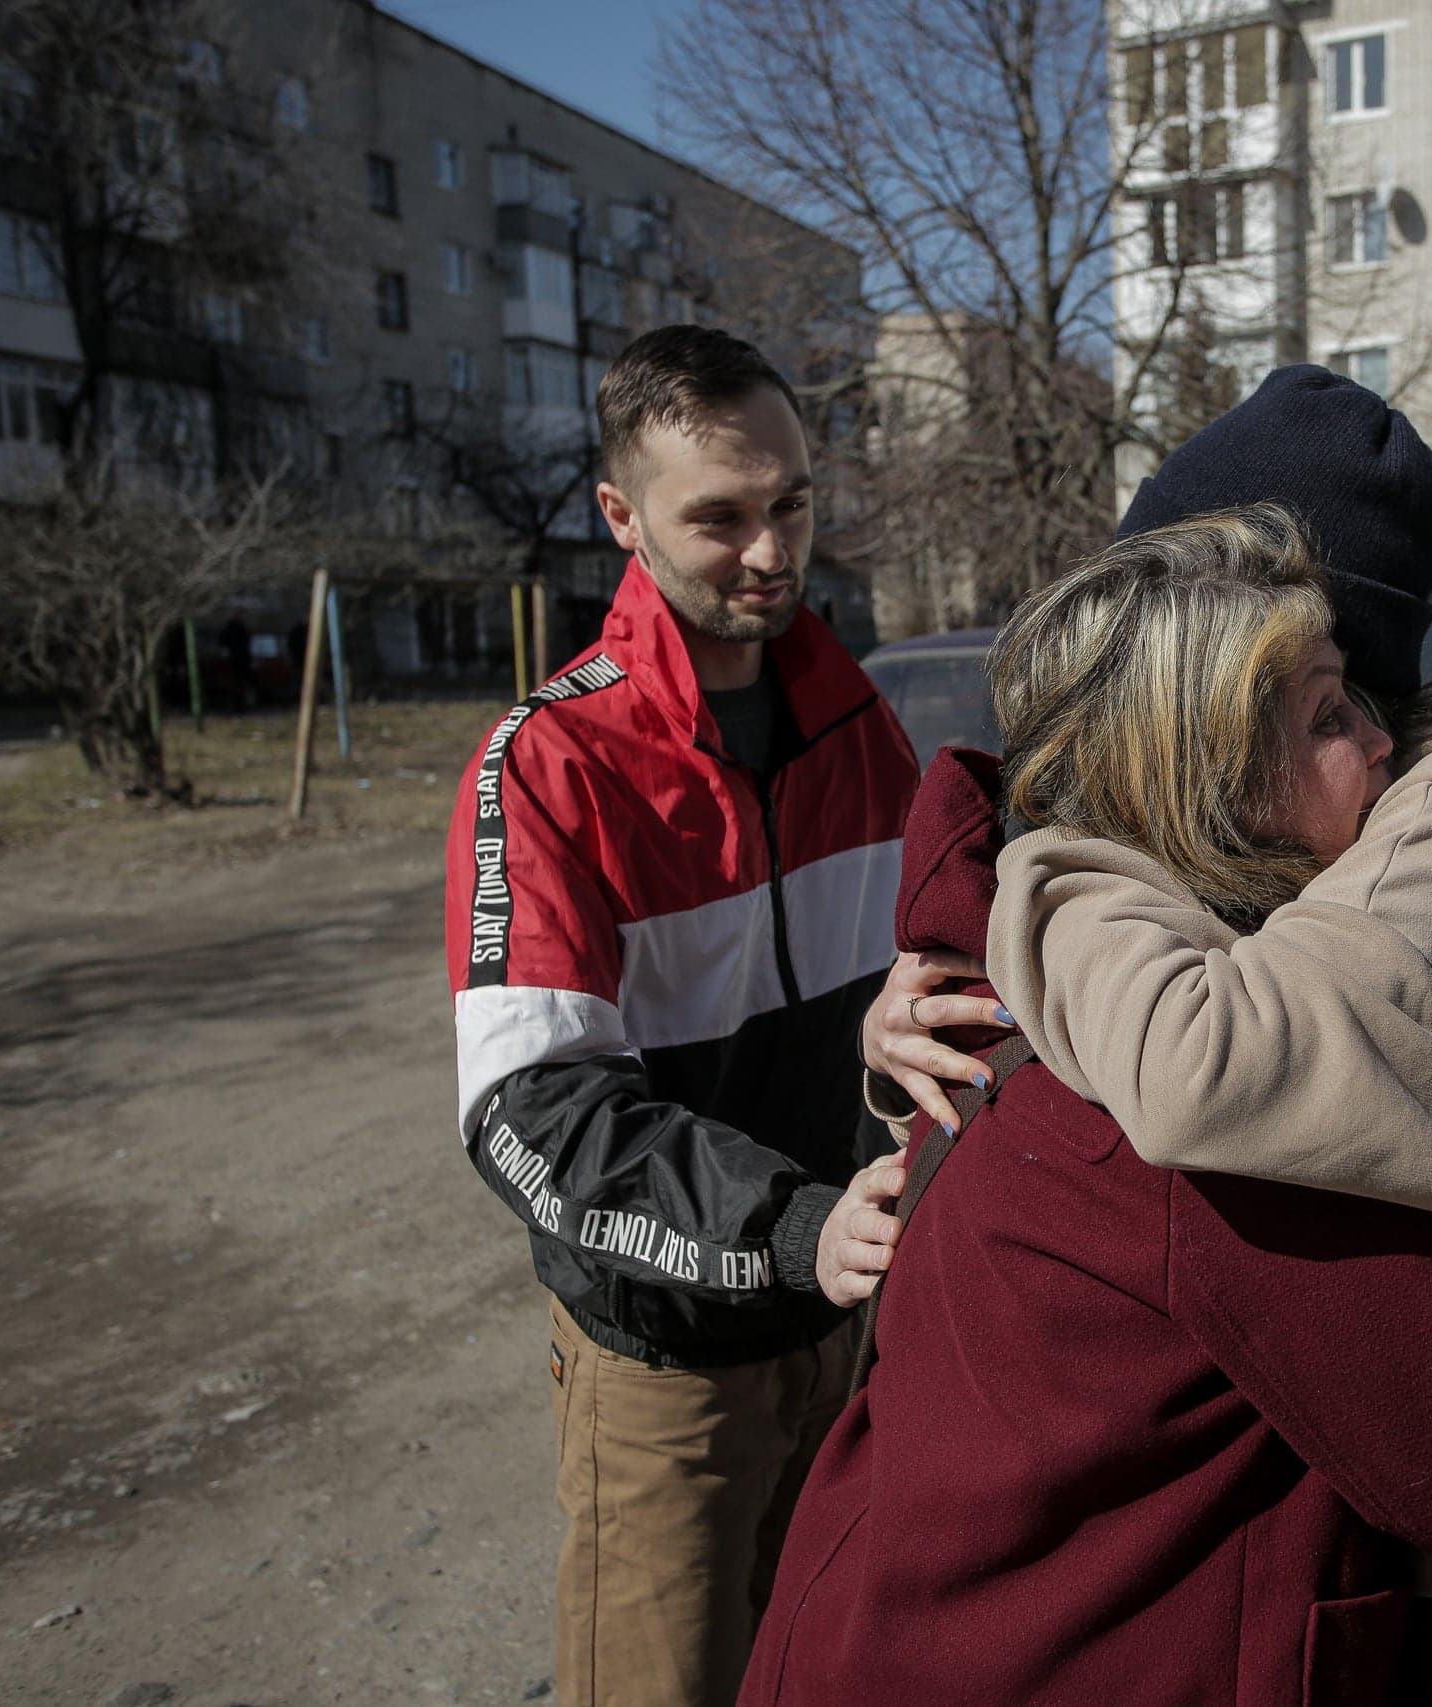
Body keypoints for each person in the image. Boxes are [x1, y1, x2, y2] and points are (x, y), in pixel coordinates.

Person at [740, 507, 1432, 1707]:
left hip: (867, 1627)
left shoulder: (1023, 972)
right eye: (1333, 712)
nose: (1384, 742)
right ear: (1221, 794)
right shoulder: (1237, 1122)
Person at [441, 325, 918, 1707]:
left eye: (794, 504)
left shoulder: (862, 728)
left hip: (843, 1330)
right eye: (720, 516)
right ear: (622, 516)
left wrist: (906, 1019)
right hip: (666, 1373)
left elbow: (927, 972)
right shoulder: (546, 763)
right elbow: (527, 1114)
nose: (772, 552)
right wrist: (790, 1224)